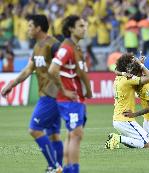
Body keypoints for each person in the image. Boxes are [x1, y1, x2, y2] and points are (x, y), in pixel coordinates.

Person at [1, 14, 63, 173]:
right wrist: (12, 84)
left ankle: (54, 166)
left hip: (51, 96)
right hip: (52, 96)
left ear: (38, 28)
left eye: (30, 26)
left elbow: (66, 65)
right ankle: (59, 168)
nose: (27, 29)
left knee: (34, 128)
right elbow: (29, 69)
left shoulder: (54, 45)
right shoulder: (37, 47)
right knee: (53, 135)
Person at [48, 15, 92, 173]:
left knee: (72, 134)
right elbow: (52, 69)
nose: (84, 28)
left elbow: (80, 73)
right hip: (69, 99)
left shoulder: (75, 47)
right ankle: (73, 170)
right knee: (76, 135)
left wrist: (87, 90)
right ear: (71, 29)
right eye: (81, 26)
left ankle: (68, 169)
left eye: (85, 25)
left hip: (75, 99)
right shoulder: (66, 48)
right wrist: (64, 89)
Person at [105, 53, 149, 149]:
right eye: (131, 63)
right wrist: (141, 65)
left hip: (118, 119)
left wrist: (138, 64)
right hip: (125, 120)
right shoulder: (128, 79)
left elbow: (117, 70)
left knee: (139, 142)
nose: (133, 64)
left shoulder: (119, 77)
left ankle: (118, 139)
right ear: (127, 67)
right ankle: (118, 138)